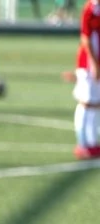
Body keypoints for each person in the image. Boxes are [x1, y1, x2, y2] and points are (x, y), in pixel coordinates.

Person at [73, 0, 100, 158]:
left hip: (97, 62)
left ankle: (92, 142)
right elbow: (86, 38)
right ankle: (82, 143)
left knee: (96, 103)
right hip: (88, 64)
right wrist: (94, 64)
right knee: (86, 101)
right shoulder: (89, 9)